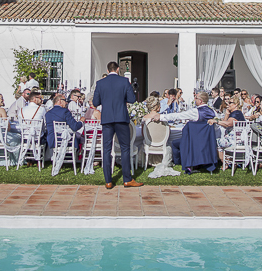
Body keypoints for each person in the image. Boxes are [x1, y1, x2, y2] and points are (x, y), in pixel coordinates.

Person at [92, 61, 141, 189]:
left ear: (108, 71)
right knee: (125, 148)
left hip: (107, 118)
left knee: (107, 149)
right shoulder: (124, 81)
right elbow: (132, 99)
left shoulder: (100, 83)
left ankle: (108, 181)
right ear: (118, 69)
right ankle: (127, 179)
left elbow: (96, 102)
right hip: (121, 118)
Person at [144, 91, 216, 168]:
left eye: (196, 98)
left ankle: (178, 162)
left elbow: (179, 116)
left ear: (200, 101)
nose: (194, 99)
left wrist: (161, 117)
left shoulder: (195, 112)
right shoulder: (213, 111)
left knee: (175, 142)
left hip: (194, 141)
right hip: (209, 141)